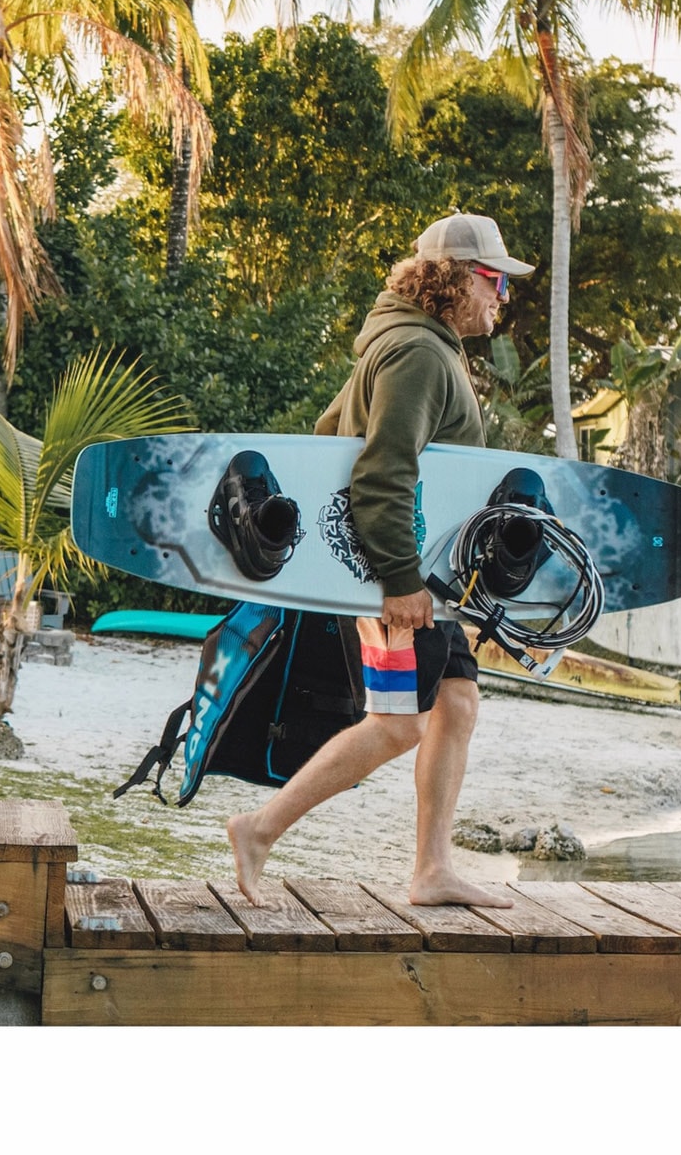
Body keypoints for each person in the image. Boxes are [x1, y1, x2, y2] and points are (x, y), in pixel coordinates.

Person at [227, 213, 535, 908]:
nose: (503, 297)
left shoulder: (415, 343)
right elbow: (379, 473)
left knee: (457, 703)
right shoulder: (417, 353)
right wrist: (396, 578)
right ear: (458, 279)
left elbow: (327, 436)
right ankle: (258, 830)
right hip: (394, 578)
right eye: (496, 281)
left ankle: (432, 870)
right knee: (398, 723)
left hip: (423, 574)